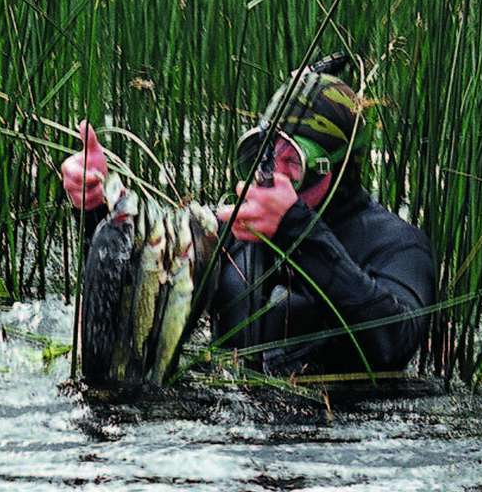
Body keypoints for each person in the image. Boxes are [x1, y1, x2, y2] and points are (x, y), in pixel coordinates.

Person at [61, 58, 435, 378]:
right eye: (265, 156)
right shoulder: (232, 232)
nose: (272, 178)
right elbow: (141, 295)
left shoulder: (398, 245)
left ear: (332, 170)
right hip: (232, 427)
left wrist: (296, 230)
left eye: (293, 164)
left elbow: (395, 342)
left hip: (337, 436)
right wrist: (99, 207)